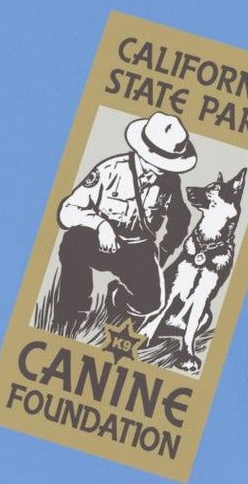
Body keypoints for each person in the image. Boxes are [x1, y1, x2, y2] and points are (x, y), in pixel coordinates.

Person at [44, 112, 197, 336]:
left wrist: (164, 251)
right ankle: (72, 314)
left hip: (137, 248)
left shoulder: (170, 182)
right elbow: (66, 212)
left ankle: (116, 297)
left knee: (151, 304)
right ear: (145, 150)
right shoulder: (110, 170)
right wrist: (100, 225)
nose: (165, 167)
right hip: (97, 242)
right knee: (73, 242)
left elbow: (181, 218)